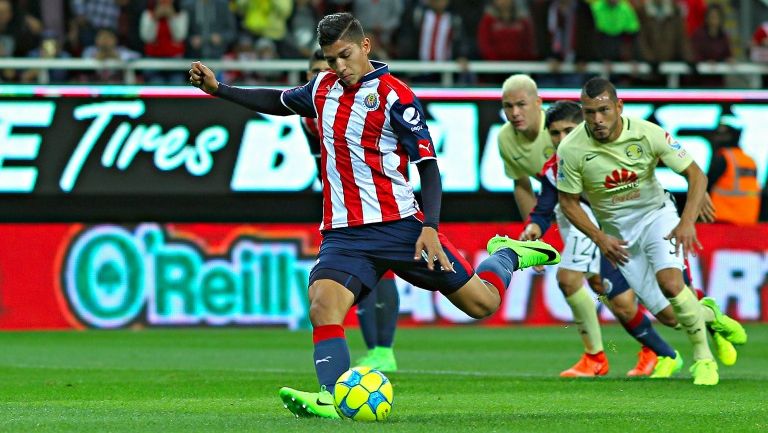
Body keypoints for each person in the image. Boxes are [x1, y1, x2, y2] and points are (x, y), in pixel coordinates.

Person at [189, 12, 561, 419]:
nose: (339, 67)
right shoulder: (321, 90)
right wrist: (218, 88)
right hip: (344, 234)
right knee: (322, 306)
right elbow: (276, 101)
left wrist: (431, 228)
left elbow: (428, 166)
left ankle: (507, 255)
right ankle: (333, 398)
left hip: (401, 228)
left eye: (345, 55)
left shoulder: (395, 97)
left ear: (365, 46)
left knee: (481, 304)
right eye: (331, 60)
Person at [556, 77, 747, 385]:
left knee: (671, 283)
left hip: (657, 215)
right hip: (619, 236)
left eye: (604, 110)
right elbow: (568, 202)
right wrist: (599, 237)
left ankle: (703, 360)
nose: (597, 120)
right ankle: (712, 315)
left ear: (619, 106)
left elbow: (696, 175)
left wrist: (686, 222)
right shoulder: (572, 148)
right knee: (671, 317)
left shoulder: (648, 134)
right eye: (589, 112)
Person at [522, 100, 684, 378]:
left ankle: (712, 323)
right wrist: (534, 228)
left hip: (635, 231)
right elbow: (545, 206)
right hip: (600, 236)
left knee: (672, 312)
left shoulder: (605, 154)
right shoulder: (554, 168)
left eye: (568, 130)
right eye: (555, 133)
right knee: (614, 299)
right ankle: (660, 352)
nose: (562, 139)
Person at [300, 48, 401, 372]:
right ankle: (377, 350)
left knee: (379, 272)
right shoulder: (309, 118)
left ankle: (383, 349)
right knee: (354, 276)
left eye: (324, 69)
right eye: (314, 71)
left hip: (381, 200)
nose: (320, 76)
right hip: (343, 206)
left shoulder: (365, 102)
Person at [497, 74, 555, 220]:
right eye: (508, 106)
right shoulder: (505, 137)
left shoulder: (558, 128)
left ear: (538, 102)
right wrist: (533, 231)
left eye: (521, 104)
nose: (515, 113)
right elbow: (521, 183)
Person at [707, 116, 761, 225]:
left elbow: (704, 186)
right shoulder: (749, 160)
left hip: (723, 220)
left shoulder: (723, 158)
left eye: (721, 134)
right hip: (748, 221)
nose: (717, 138)